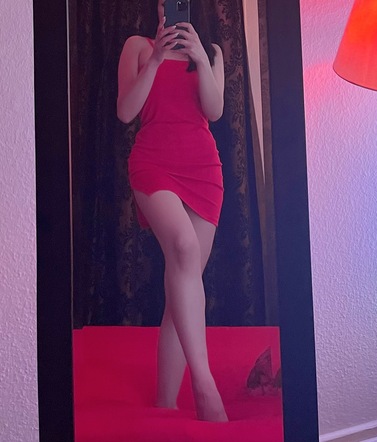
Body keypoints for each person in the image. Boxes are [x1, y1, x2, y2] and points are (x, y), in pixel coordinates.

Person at [116, 0, 228, 423]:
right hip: (153, 162)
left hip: (203, 169)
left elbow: (214, 111)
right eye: (166, 1)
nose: (172, 7)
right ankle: (204, 384)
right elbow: (126, 111)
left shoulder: (211, 52)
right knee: (183, 248)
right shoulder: (138, 46)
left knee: (184, 283)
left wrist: (199, 56)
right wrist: (157, 58)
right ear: (159, 8)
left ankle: (166, 403)